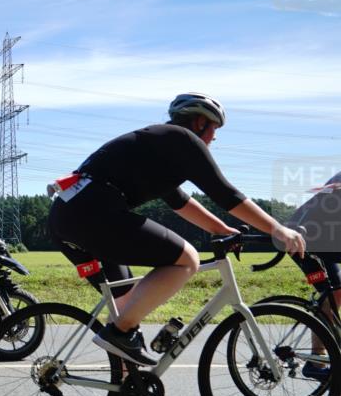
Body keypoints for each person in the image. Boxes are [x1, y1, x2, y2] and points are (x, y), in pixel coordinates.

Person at [48, 92, 306, 367]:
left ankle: (126, 385)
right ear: (199, 123)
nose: (214, 138)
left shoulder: (159, 147)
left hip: (68, 216)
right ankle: (118, 334)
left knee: (128, 304)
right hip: (94, 213)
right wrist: (279, 229)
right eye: (214, 129)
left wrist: (221, 229)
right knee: (187, 259)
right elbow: (226, 194)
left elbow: (180, 202)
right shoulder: (183, 140)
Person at [285, 171, 340, 379]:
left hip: (324, 241)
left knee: (335, 293)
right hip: (301, 241)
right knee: (332, 292)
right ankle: (316, 362)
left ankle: (323, 355)